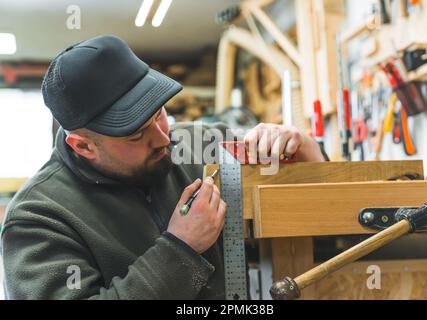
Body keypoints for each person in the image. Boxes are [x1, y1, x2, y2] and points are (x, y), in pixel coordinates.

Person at [1, 35, 326, 299]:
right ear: (84, 146)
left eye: (159, 113)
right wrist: (180, 250)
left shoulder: (202, 144)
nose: (162, 139)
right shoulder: (38, 217)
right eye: (135, 134)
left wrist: (304, 148)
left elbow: (320, 208)